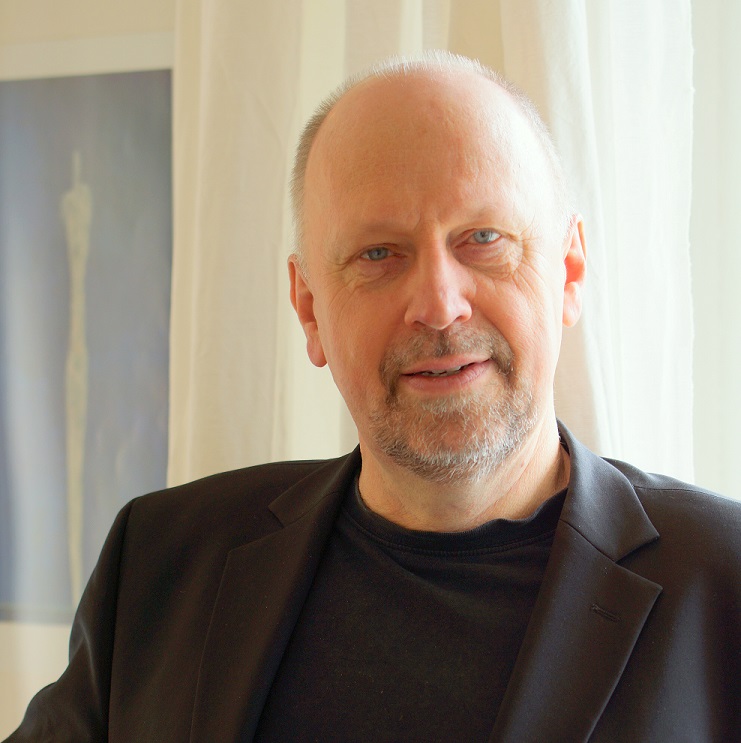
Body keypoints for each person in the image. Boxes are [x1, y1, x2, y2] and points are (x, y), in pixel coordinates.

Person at [7, 51, 741, 743]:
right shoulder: (160, 562)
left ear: (569, 273)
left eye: (483, 238)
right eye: (379, 254)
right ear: (309, 308)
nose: (439, 305)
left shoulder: (725, 581)